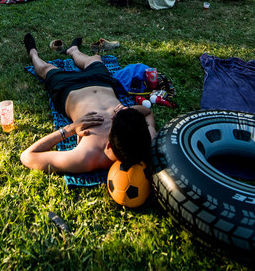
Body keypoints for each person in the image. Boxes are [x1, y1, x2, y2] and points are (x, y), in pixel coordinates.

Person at [20, 34, 156, 173]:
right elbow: (147, 112)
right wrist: (128, 111)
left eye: (114, 119)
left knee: (46, 69)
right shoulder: (144, 140)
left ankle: (32, 53)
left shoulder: (87, 157)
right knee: (96, 59)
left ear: (108, 145)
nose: (113, 116)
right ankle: (73, 50)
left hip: (69, 89)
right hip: (102, 83)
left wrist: (70, 129)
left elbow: (27, 156)